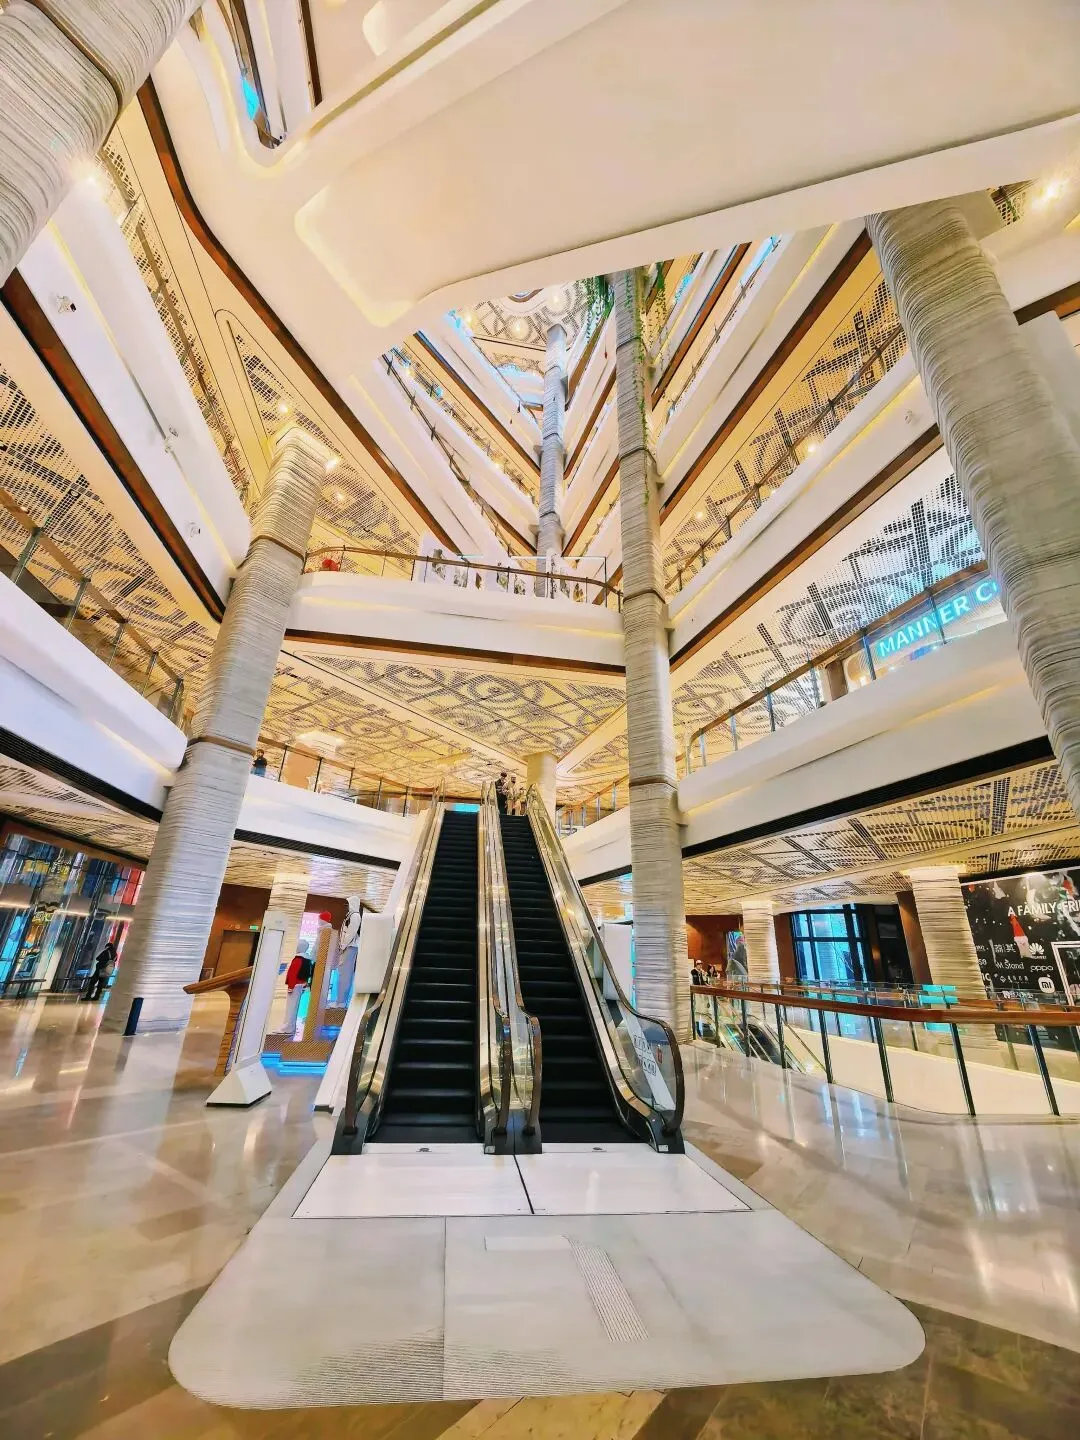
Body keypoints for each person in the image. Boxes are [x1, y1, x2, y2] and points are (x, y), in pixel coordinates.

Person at [282, 941, 313, 1036]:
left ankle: (287, 1027)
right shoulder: (307, 959)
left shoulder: (298, 959)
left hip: (294, 986)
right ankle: (290, 1027)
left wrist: (290, 987)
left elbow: (293, 974)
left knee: (291, 1008)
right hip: (300, 985)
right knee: (294, 1007)